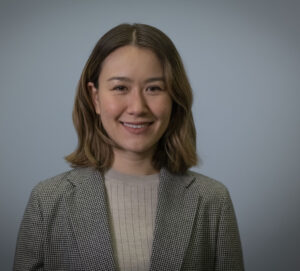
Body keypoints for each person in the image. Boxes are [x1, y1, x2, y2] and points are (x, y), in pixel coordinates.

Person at [14, 23, 244, 271]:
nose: (137, 107)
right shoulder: (46, 201)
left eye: (154, 88)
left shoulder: (213, 200)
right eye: (120, 88)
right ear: (95, 98)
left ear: (174, 98)